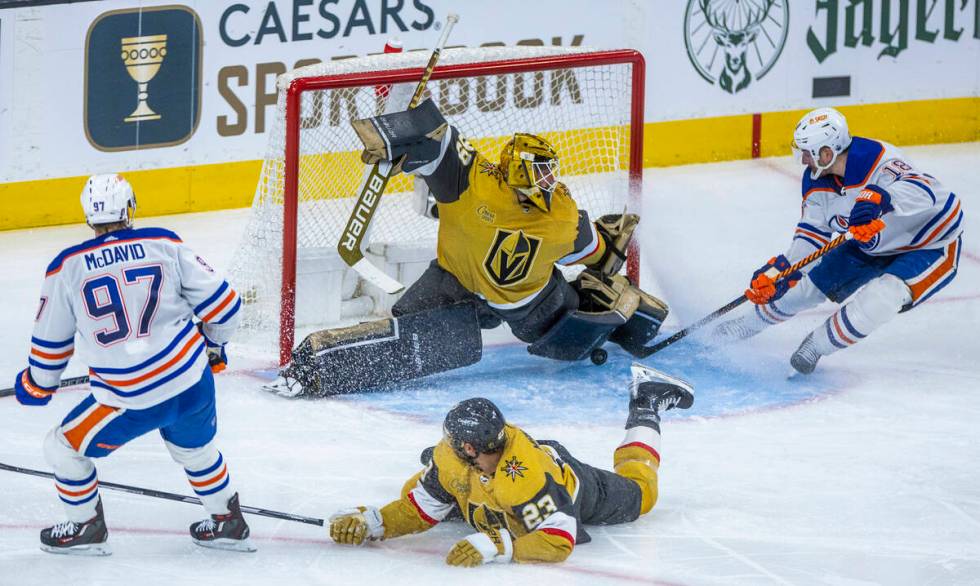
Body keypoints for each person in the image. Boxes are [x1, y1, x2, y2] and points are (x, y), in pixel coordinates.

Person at [268, 98, 669, 397]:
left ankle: (628, 317)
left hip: (529, 304)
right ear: (520, 169)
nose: (549, 179)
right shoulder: (473, 180)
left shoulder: (560, 211)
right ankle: (321, 369)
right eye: (541, 170)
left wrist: (607, 255)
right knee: (410, 324)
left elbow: (591, 252)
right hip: (455, 280)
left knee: (566, 336)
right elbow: (437, 139)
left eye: (551, 171)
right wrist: (396, 137)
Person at [13, 174, 254, 555]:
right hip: (192, 381)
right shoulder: (164, 242)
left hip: (130, 398)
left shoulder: (67, 267)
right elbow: (225, 307)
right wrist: (213, 346)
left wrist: (38, 384)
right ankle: (228, 521)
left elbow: (50, 344)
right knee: (196, 451)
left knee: (62, 449)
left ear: (88, 218)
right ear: (130, 209)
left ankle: (85, 528)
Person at [327, 363, 693, 566]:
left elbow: (559, 540)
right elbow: (417, 510)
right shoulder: (453, 457)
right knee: (423, 489)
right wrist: (373, 522)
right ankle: (436, 477)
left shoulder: (527, 477)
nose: (492, 455)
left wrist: (499, 547)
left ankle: (646, 403)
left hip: (570, 488)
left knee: (642, 495)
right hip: (487, 499)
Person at [714, 107, 964, 374]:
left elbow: (936, 195)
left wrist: (882, 197)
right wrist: (780, 272)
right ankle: (746, 324)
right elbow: (811, 235)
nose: (803, 161)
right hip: (869, 244)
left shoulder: (877, 158)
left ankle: (817, 345)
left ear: (827, 152)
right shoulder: (815, 181)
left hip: (929, 245)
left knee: (882, 298)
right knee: (804, 288)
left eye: (807, 153)